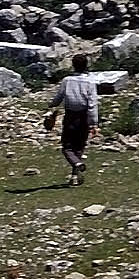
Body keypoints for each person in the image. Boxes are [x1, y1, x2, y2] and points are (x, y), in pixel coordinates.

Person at [50, 54, 99, 186]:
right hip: (84, 117)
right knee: (79, 146)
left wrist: (52, 105)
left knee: (67, 147)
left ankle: (76, 164)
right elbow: (92, 103)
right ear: (86, 65)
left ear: (73, 65)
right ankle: (74, 176)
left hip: (70, 116)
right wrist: (93, 123)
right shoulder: (90, 82)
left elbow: (59, 96)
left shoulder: (67, 80)